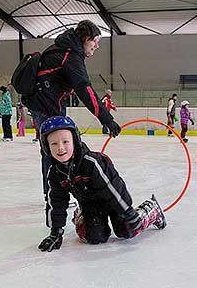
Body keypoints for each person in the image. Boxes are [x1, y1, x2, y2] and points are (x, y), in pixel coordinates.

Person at [21, 20, 121, 198]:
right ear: (85, 38)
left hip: (46, 104)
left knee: (62, 147)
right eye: (95, 41)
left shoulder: (65, 50)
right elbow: (85, 89)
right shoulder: (70, 55)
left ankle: (60, 190)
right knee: (56, 149)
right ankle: (54, 194)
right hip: (47, 106)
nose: (97, 46)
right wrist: (108, 120)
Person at [37, 116, 166, 252]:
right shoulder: (54, 172)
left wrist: (128, 212)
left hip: (112, 201)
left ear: (75, 141)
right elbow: (56, 200)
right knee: (93, 238)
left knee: (127, 230)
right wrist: (55, 231)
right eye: (54, 144)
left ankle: (152, 209)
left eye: (65, 142)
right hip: (90, 204)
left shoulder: (91, 163)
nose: (60, 148)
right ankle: (80, 215)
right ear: (47, 147)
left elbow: (113, 188)